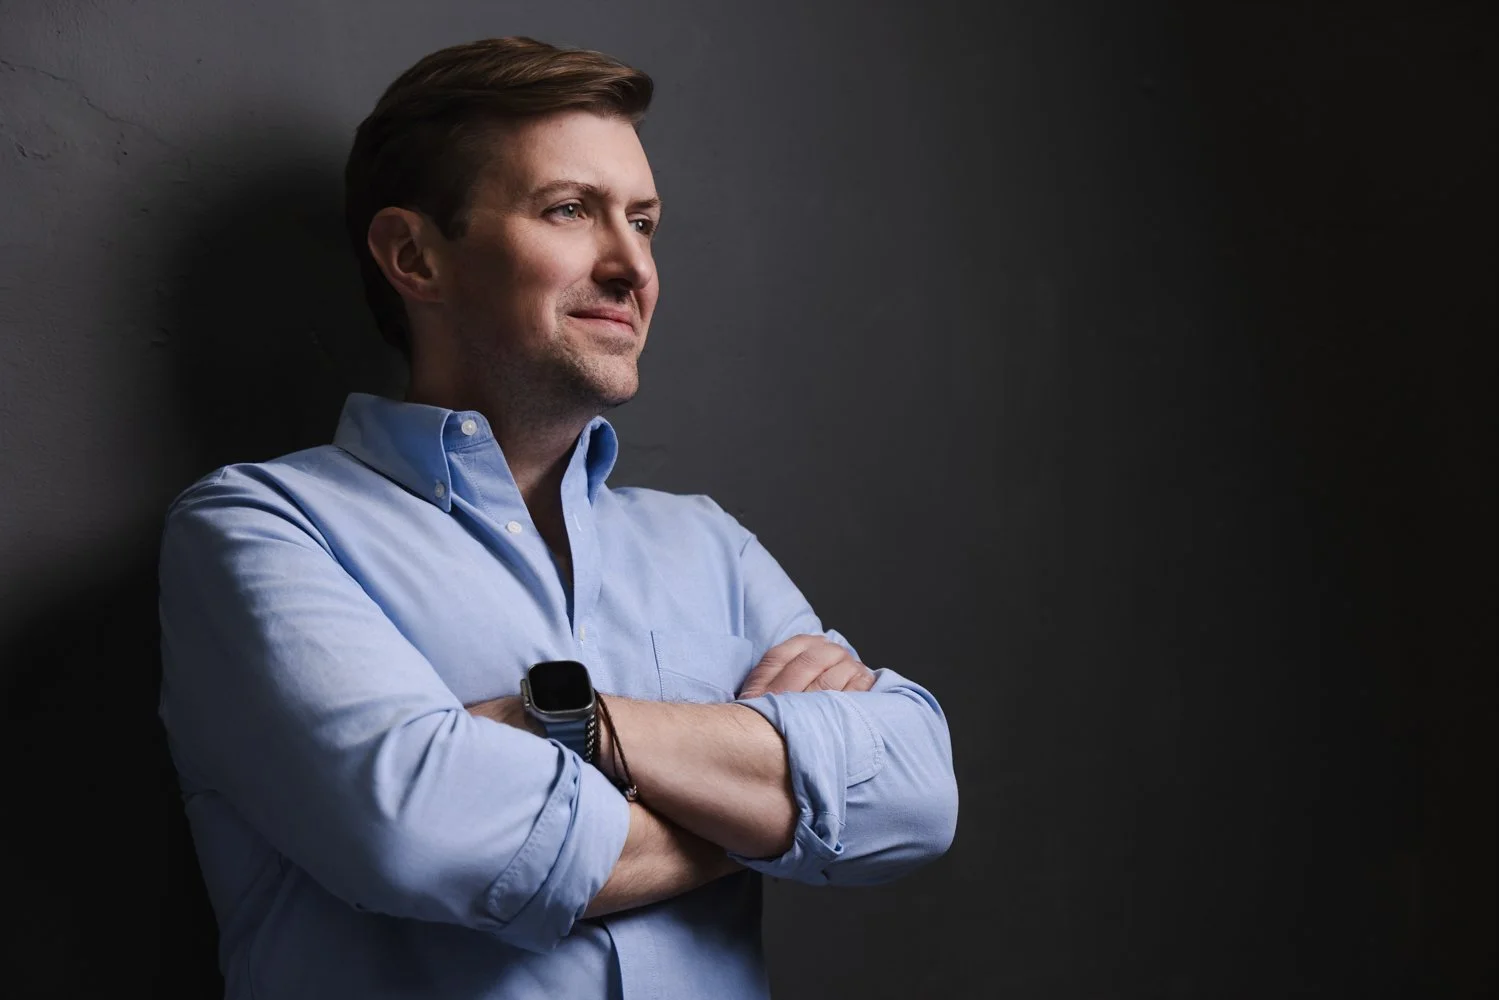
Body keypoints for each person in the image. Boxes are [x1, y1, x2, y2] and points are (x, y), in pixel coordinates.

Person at [157, 36, 958, 1000]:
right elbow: (427, 837)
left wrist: (572, 723)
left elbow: (915, 791)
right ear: (415, 256)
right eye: (570, 211)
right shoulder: (262, 530)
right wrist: (772, 806)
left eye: (646, 221)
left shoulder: (709, 544)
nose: (632, 267)